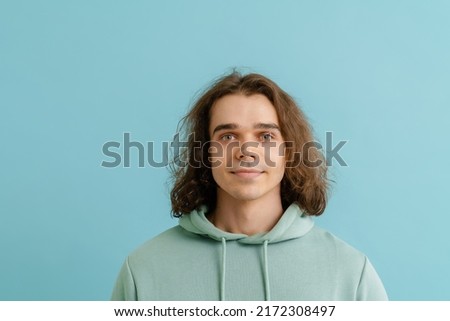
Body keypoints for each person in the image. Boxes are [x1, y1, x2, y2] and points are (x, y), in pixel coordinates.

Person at [111, 71, 388, 301]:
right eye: (228, 136)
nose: (247, 150)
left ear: (288, 151)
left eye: (266, 135)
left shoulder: (350, 273)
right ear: (205, 153)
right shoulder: (143, 270)